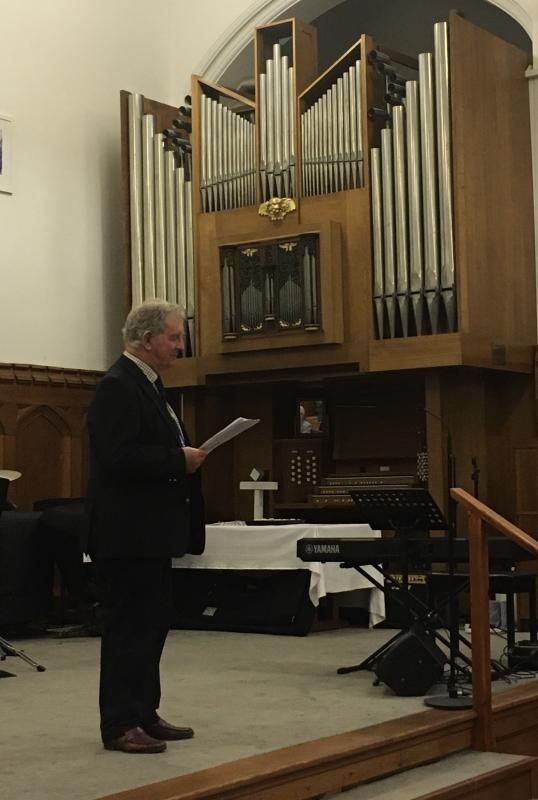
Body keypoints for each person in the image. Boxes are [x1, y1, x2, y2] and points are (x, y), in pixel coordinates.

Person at [84, 300, 207, 754]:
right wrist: (178, 459)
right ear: (148, 338)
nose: (180, 346)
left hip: (149, 534)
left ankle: (144, 713)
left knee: (151, 626)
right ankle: (120, 724)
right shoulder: (118, 386)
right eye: (174, 337)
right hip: (126, 535)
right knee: (127, 630)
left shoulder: (149, 385)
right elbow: (116, 457)